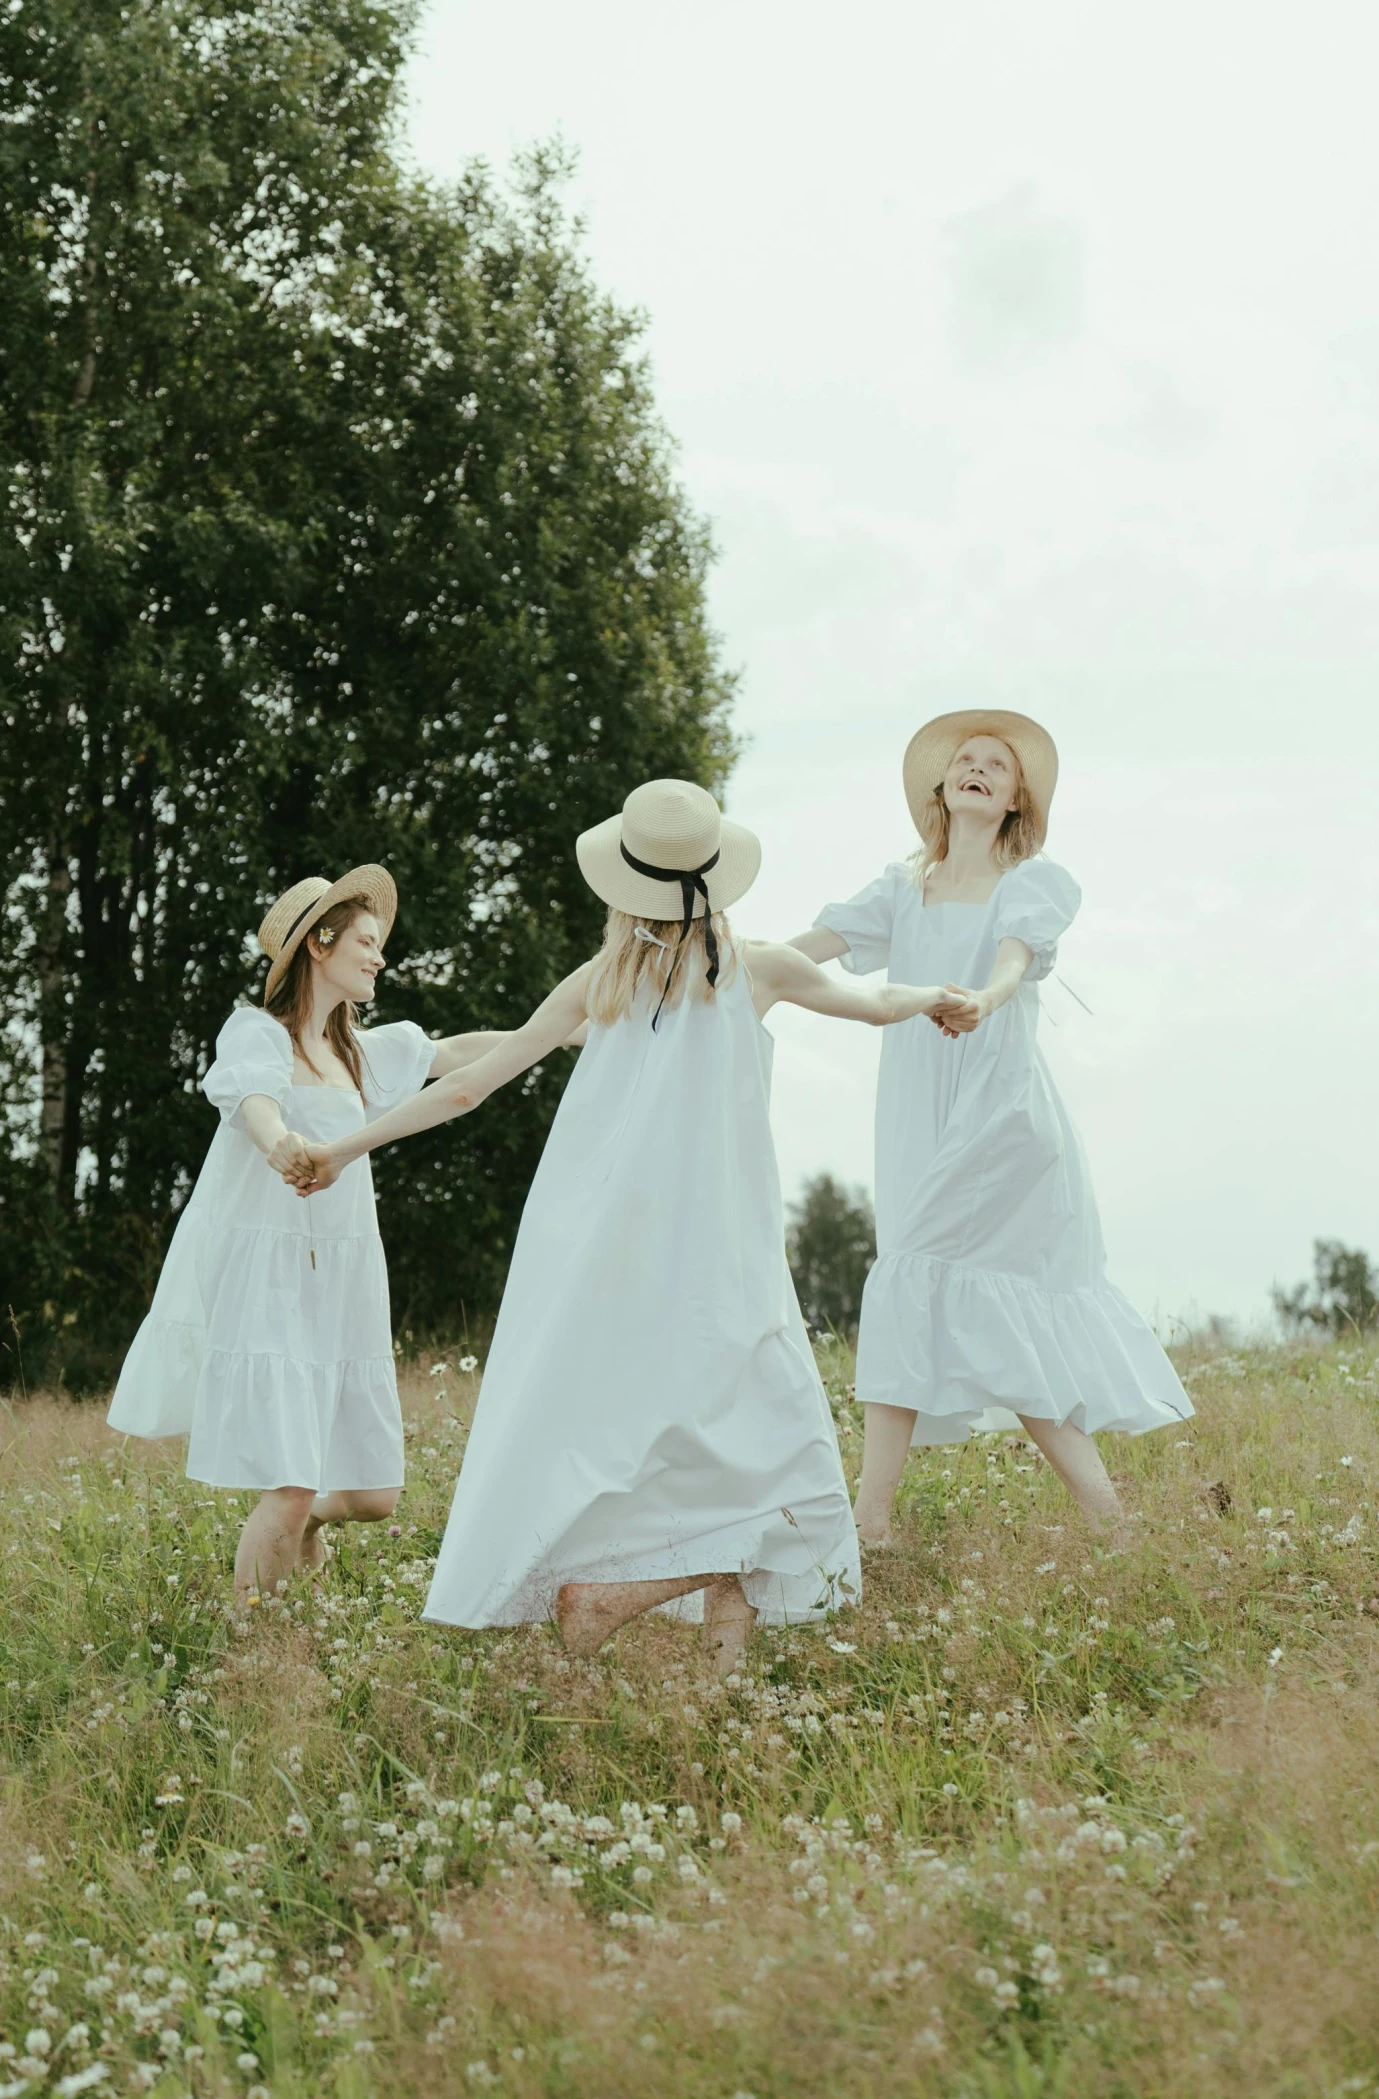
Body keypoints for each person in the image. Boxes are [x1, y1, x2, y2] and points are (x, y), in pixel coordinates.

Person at [279, 780, 968, 1673]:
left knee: (714, 1452)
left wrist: (345, 1146)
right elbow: (876, 1002)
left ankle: (701, 1684)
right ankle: (620, 1598)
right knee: (773, 1451)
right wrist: (945, 996)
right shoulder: (757, 968)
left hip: (609, 1258)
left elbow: (464, 1087)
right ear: (717, 877)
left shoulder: (601, 981)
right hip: (723, 1259)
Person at [793, 708, 1193, 1545]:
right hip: (915, 1113)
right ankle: (1110, 1523)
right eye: (965, 761)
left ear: (1015, 801)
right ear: (942, 787)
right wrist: (722, 961)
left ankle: (870, 1522)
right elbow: (810, 948)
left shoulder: (1030, 883)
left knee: (910, 1278)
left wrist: (982, 998)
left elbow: (1014, 958)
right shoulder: (899, 889)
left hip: (998, 1109)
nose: (977, 769)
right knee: (939, 1296)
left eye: (997, 767)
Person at [107, 867, 522, 1605]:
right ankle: (251, 1655)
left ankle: (302, 1528)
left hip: (343, 1277)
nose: (378, 956)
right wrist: (280, 1143)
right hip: (271, 1276)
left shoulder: (359, 1051)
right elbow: (254, 1099)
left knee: (372, 1496)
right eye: (366, 941)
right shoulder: (256, 1032)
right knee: (292, 1483)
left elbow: (456, 1053)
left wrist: (567, 1027)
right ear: (319, 943)